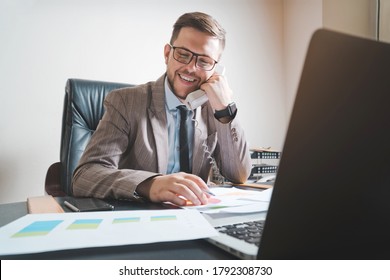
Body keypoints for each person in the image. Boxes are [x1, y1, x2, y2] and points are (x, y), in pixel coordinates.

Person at [72, 12, 252, 206]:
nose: (191, 68)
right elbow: (85, 175)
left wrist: (225, 111)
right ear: (167, 54)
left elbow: (239, 175)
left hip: (197, 219)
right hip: (141, 219)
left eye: (204, 61)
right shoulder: (125, 102)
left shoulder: (215, 108)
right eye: (183, 55)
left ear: (215, 69)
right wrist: (150, 184)